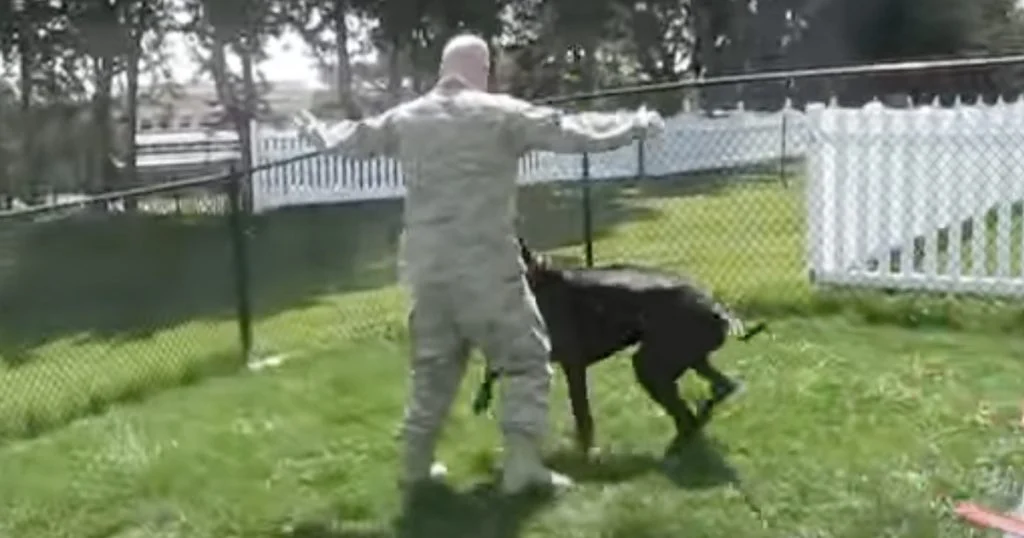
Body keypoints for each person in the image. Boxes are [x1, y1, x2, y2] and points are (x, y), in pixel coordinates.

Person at [293, 33, 664, 496]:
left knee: (433, 367)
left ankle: (415, 465)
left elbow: (352, 139)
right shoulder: (501, 114)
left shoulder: (407, 117)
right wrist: (635, 125)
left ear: (443, 69)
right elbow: (574, 131)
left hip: (427, 271)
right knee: (526, 360)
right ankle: (523, 467)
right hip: (486, 266)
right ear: (483, 70)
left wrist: (313, 132)